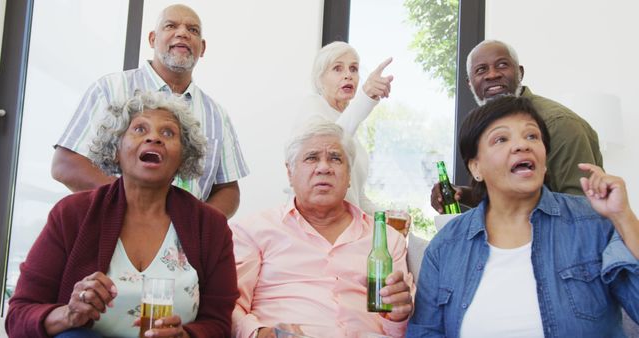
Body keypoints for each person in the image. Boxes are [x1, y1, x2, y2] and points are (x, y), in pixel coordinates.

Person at [7, 92, 238, 338]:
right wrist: (68, 314)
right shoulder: (71, 214)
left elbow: (218, 323)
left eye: (168, 133)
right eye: (140, 129)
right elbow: (19, 316)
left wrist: (187, 336)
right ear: (116, 149)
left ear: (183, 158)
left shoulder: (210, 226)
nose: (154, 138)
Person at [407, 96, 639, 337]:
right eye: (501, 139)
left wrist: (623, 217)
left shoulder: (593, 223)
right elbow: (425, 331)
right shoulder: (446, 246)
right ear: (476, 168)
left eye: (532, 136)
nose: (522, 145)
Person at [52, 4, 248, 218]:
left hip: (183, 245)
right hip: (110, 229)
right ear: (152, 39)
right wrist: (134, 208)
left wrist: (194, 226)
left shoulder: (217, 115)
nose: (182, 33)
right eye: (171, 25)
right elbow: (65, 165)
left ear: (202, 48)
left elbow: (228, 190)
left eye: (192, 30)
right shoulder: (109, 90)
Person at [231, 122, 413, 338]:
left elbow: (399, 329)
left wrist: (398, 315)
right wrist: (260, 333)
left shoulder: (387, 240)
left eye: (335, 158)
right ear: (290, 173)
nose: (324, 167)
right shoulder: (253, 230)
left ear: (348, 177)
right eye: (312, 158)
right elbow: (228, 305)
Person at [430, 39, 602, 212]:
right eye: (481, 70)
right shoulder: (483, 127)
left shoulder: (559, 123)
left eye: (502, 65)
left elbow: (582, 212)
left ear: (520, 72)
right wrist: (462, 194)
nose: (492, 75)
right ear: (469, 83)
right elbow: (511, 198)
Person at [291, 41, 393, 215]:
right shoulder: (312, 107)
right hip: (315, 226)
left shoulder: (348, 122)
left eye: (353, 69)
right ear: (319, 78)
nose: (348, 75)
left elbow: (356, 199)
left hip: (347, 229)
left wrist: (386, 217)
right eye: (338, 68)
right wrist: (365, 97)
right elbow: (329, 145)